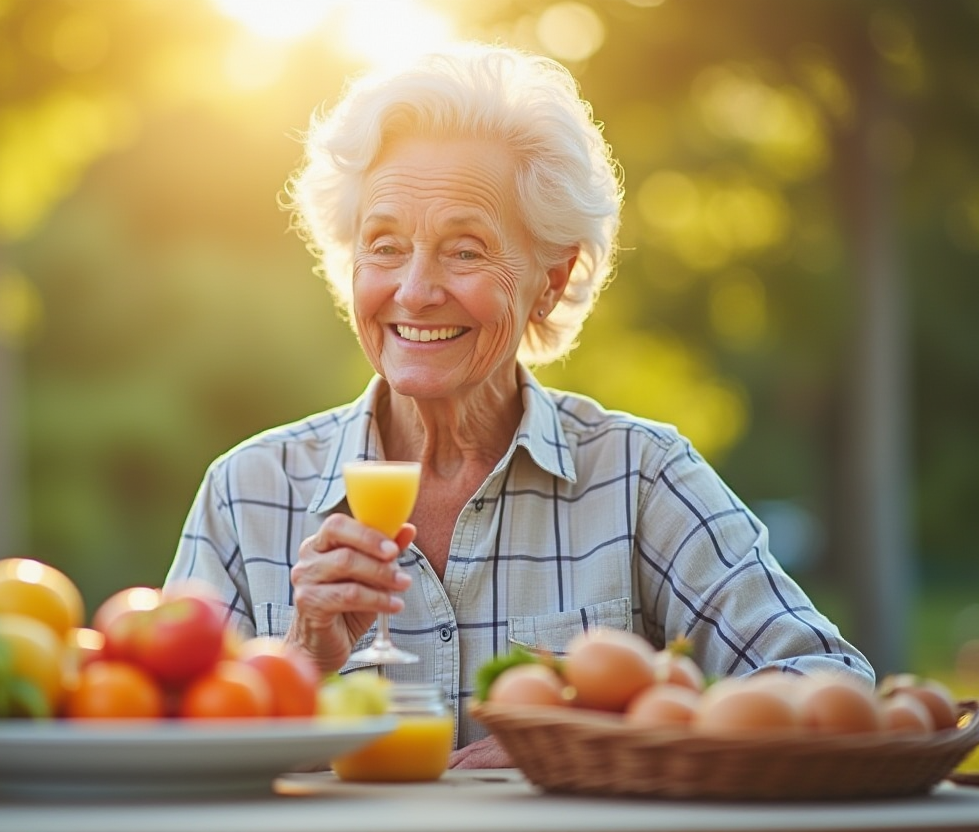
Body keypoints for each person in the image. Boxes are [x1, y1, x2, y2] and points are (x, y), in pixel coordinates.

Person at [166, 42, 873, 768]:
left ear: (550, 280)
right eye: (384, 246)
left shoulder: (639, 477)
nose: (414, 290)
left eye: (465, 251)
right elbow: (160, 750)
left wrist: (593, 741)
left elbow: (825, 685)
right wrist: (299, 664)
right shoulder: (246, 492)